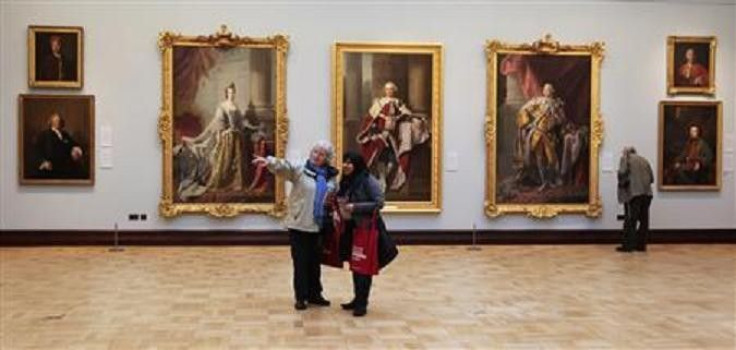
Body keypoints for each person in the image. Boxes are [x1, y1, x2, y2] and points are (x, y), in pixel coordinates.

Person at [253, 141, 339, 310]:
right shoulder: (300, 169)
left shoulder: (330, 176)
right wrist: (269, 161)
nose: (316, 156)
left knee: (314, 263)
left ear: (326, 158)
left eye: (321, 154)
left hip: (318, 225)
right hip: (299, 224)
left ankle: (315, 294)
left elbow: (333, 196)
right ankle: (301, 297)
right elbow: (285, 166)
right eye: (315, 151)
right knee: (300, 263)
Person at [336, 151, 397, 317]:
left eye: (349, 162)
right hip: (351, 228)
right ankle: (357, 298)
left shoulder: (368, 180)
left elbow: (379, 203)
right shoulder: (346, 180)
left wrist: (355, 207)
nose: (346, 165)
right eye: (344, 162)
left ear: (357, 164)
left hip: (367, 229)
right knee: (356, 265)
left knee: (364, 267)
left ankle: (362, 303)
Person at [177, 83, 260, 200]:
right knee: (225, 163)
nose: (232, 94)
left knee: (237, 163)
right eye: (230, 92)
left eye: (233, 92)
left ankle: (237, 184)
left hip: (236, 138)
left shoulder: (235, 105)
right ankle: (223, 182)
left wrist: (252, 127)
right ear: (226, 93)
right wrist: (225, 132)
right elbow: (219, 122)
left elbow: (241, 122)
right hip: (227, 138)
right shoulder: (222, 106)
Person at [356, 81, 430, 192]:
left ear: (394, 91)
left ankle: (386, 180)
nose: (389, 91)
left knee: (392, 161)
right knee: (380, 158)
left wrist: (414, 119)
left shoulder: (398, 102)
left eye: (391, 89)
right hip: (381, 135)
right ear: (385, 90)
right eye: (387, 89)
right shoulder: (379, 103)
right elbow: (371, 118)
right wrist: (374, 129)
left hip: (393, 137)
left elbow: (406, 114)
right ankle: (382, 181)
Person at [516, 83, 566, 191]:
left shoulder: (557, 104)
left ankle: (552, 180)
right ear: (543, 91)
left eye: (550, 89)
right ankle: (543, 182)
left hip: (550, 134)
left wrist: (556, 117)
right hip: (538, 132)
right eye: (546, 89)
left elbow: (562, 120)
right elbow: (524, 109)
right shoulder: (538, 101)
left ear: (553, 91)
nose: (547, 91)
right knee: (539, 158)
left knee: (551, 158)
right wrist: (526, 123)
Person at [616, 146, 654, 253]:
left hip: (633, 194)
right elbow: (652, 178)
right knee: (644, 220)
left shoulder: (625, 158)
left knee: (630, 220)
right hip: (647, 194)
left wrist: (622, 183)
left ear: (626, 153)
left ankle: (628, 246)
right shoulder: (644, 160)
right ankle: (641, 245)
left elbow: (622, 173)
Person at [35, 112, 84, 179]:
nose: (58, 122)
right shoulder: (45, 134)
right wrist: (43, 162)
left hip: (65, 167)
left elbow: (73, 144)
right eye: (56, 120)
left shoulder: (65, 134)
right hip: (51, 167)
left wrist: (77, 149)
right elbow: (37, 150)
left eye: (59, 121)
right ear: (51, 122)